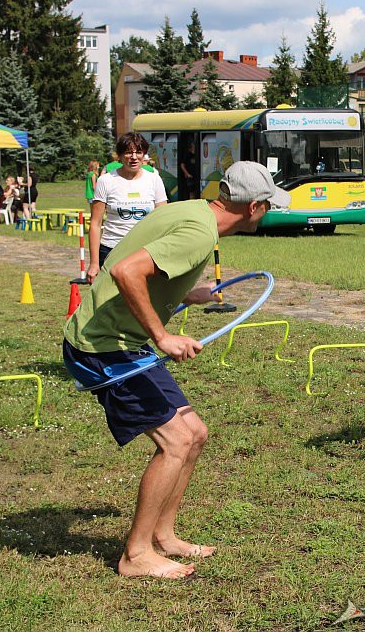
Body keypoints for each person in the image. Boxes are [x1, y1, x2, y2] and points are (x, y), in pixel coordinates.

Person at [62, 160, 291, 579]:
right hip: (105, 346)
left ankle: (163, 535)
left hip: (118, 340)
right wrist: (163, 338)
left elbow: (146, 259)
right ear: (254, 205)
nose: (269, 211)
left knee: (195, 434)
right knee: (176, 441)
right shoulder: (199, 233)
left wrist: (188, 292)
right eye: (269, 205)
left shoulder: (191, 209)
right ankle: (135, 555)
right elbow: (126, 269)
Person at [88, 133, 168, 283]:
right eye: (128, 152)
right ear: (119, 155)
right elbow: (95, 224)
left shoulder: (154, 179)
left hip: (144, 250)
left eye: (138, 152)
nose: (133, 157)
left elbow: (164, 220)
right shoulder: (105, 181)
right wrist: (93, 263)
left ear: (144, 155)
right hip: (112, 249)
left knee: (142, 300)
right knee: (110, 302)